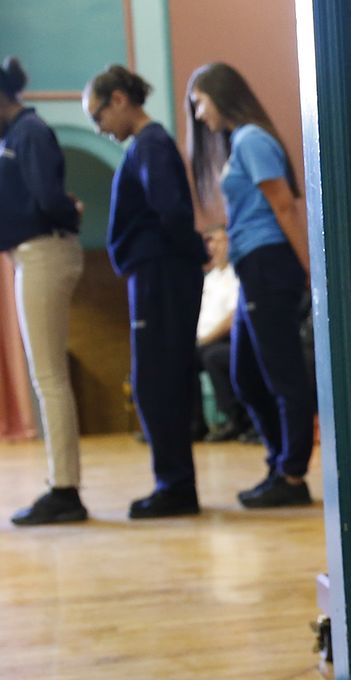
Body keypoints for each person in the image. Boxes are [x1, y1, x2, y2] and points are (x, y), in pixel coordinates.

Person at [0, 57, 88, 526]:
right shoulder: (18, 136)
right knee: (46, 374)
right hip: (34, 255)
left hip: (43, 254)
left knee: (49, 376)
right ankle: (62, 483)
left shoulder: (29, 133)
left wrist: (69, 213)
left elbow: (49, 198)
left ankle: (65, 488)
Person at [186, 63, 314, 508]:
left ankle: (292, 476)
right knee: (244, 374)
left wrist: (310, 271)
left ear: (220, 95)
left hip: (269, 262)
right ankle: (281, 464)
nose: (199, 114)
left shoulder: (252, 139)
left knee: (283, 377)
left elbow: (284, 206)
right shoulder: (242, 141)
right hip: (253, 267)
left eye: (199, 102)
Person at [85, 65, 206, 518]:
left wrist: (192, 251)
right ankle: (174, 483)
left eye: (98, 116)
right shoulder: (147, 146)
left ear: (119, 99)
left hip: (161, 272)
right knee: (160, 378)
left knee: (156, 381)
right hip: (158, 270)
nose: (99, 128)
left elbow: (172, 213)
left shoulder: (151, 145)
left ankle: (174, 486)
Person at [196, 227, 252, 443]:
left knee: (212, 356)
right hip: (202, 341)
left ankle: (233, 419)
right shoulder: (210, 278)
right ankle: (193, 425)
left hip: (226, 339)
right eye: (209, 242)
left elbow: (232, 318)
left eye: (217, 241)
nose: (212, 246)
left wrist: (205, 340)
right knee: (180, 358)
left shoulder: (236, 274)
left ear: (229, 242)